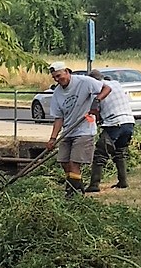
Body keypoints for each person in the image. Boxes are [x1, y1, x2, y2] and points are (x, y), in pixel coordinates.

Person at [45, 61, 112, 196]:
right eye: (55, 78)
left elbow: (106, 89)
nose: (57, 80)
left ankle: (71, 193)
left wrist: (97, 100)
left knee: (74, 163)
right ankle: (78, 187)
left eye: (59, 76)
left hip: (84, 129)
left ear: (67, 71)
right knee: (64, 162)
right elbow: (58, 118)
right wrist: (52, 138)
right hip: (68, 130)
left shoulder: (84, 82)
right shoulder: (57, 93)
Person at [85, 69, 135, 192]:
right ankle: (123, 181)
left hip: (114, 124)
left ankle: (94, 185)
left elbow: (96, 110)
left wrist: (97, 119)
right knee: (120, 152)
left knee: (100, 154)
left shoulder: (97, 90)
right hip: (129, 122)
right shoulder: (116, 84)